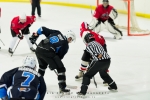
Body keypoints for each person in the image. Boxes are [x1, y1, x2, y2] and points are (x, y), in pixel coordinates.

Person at [29, 26, 76, 93]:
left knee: (42, 67)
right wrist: (53, 64)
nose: (70, 41)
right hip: (48, 52)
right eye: (71, 40)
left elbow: (42, 29)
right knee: (61, 69)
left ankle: (36, 84)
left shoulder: (57, 32)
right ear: (70, 37)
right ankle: (62, 87)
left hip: (39, 49)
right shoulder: (65, 44)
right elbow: (59, 57)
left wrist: (35, 35)